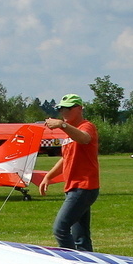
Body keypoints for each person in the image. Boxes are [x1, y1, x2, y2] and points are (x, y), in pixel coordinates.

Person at [39, 94, 100, 251]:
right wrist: (48, 176)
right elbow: (65, 159)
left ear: (79, 109)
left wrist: (62, 125)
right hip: (73, 187)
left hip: (84, 187)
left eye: (67, 108)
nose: (63, 112)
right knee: (80, 236)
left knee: (60, 229)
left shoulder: (86, 126)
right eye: (60, 109)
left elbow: (85, 138)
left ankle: (73, 263)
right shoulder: (69, 134)